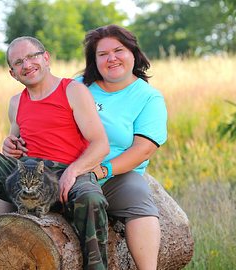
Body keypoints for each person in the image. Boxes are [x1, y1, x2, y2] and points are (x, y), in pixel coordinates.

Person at [0, 36, 110, 270]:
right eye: (18, 62)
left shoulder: (73, 90)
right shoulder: (16, 102)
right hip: (30, 175)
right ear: (13, 73)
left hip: (70, 173)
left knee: (92, 199)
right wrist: (10, 146)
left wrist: (73, 171)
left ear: (46, 58)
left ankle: (96, 266)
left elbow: (100, 144)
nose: (26, 65)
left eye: (32, 57)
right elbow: (15, 146)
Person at [79, 24, 168, 270]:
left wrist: (102, 171)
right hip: (67, 170)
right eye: (103, 54)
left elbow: (143, 150)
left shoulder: (148, 98)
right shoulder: (77, 86)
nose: (112, 58)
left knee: (138, 193)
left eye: (118, 50)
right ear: (93, 60)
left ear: (133, 53)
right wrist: (14, 137)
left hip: (114, 177)